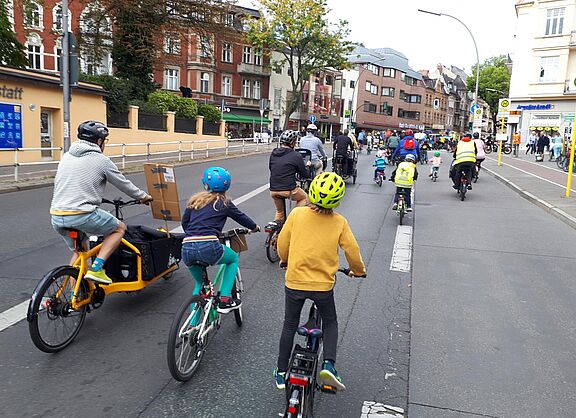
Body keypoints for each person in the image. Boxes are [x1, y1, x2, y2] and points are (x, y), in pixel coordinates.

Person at [274, 172, 366, 391]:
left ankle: (280, 372)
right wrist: (358, 271)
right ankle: (329, 365)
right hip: (323, 287)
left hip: (295, 282)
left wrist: (285, 260)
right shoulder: (340, 222)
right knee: (331, 322)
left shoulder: (297, 215)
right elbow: (352, 250)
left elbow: (283, 243)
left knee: (289, 324)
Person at [50, 121, 153, 285]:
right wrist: (143, 197)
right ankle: (97, 268)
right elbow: (123, 184)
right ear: (99, 141)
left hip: (57, 215)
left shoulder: (66, 156)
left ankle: (73, 297)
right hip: (82, 214)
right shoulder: (101, 160)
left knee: (80, 253)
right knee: (119, 229)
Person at [182, 167, 259, 314]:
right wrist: (254, 227)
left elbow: (185, 224)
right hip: (208, 245)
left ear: (205, 185)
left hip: (187, 247)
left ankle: (192, 325)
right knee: (232, 259)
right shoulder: (224, 203)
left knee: (199, 284)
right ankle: (225, 299)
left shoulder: (194, 201)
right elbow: (241, 217)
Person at [269, 130, 310, 224]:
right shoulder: (296, 155)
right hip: (289, 190)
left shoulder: (274, 153)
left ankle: (276, 234)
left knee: (280, 212)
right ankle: (292, 219)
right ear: (292, 143)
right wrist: (307, 166)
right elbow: (304, 175)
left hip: (273, 190)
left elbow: (271, 168)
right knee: (305, 198)